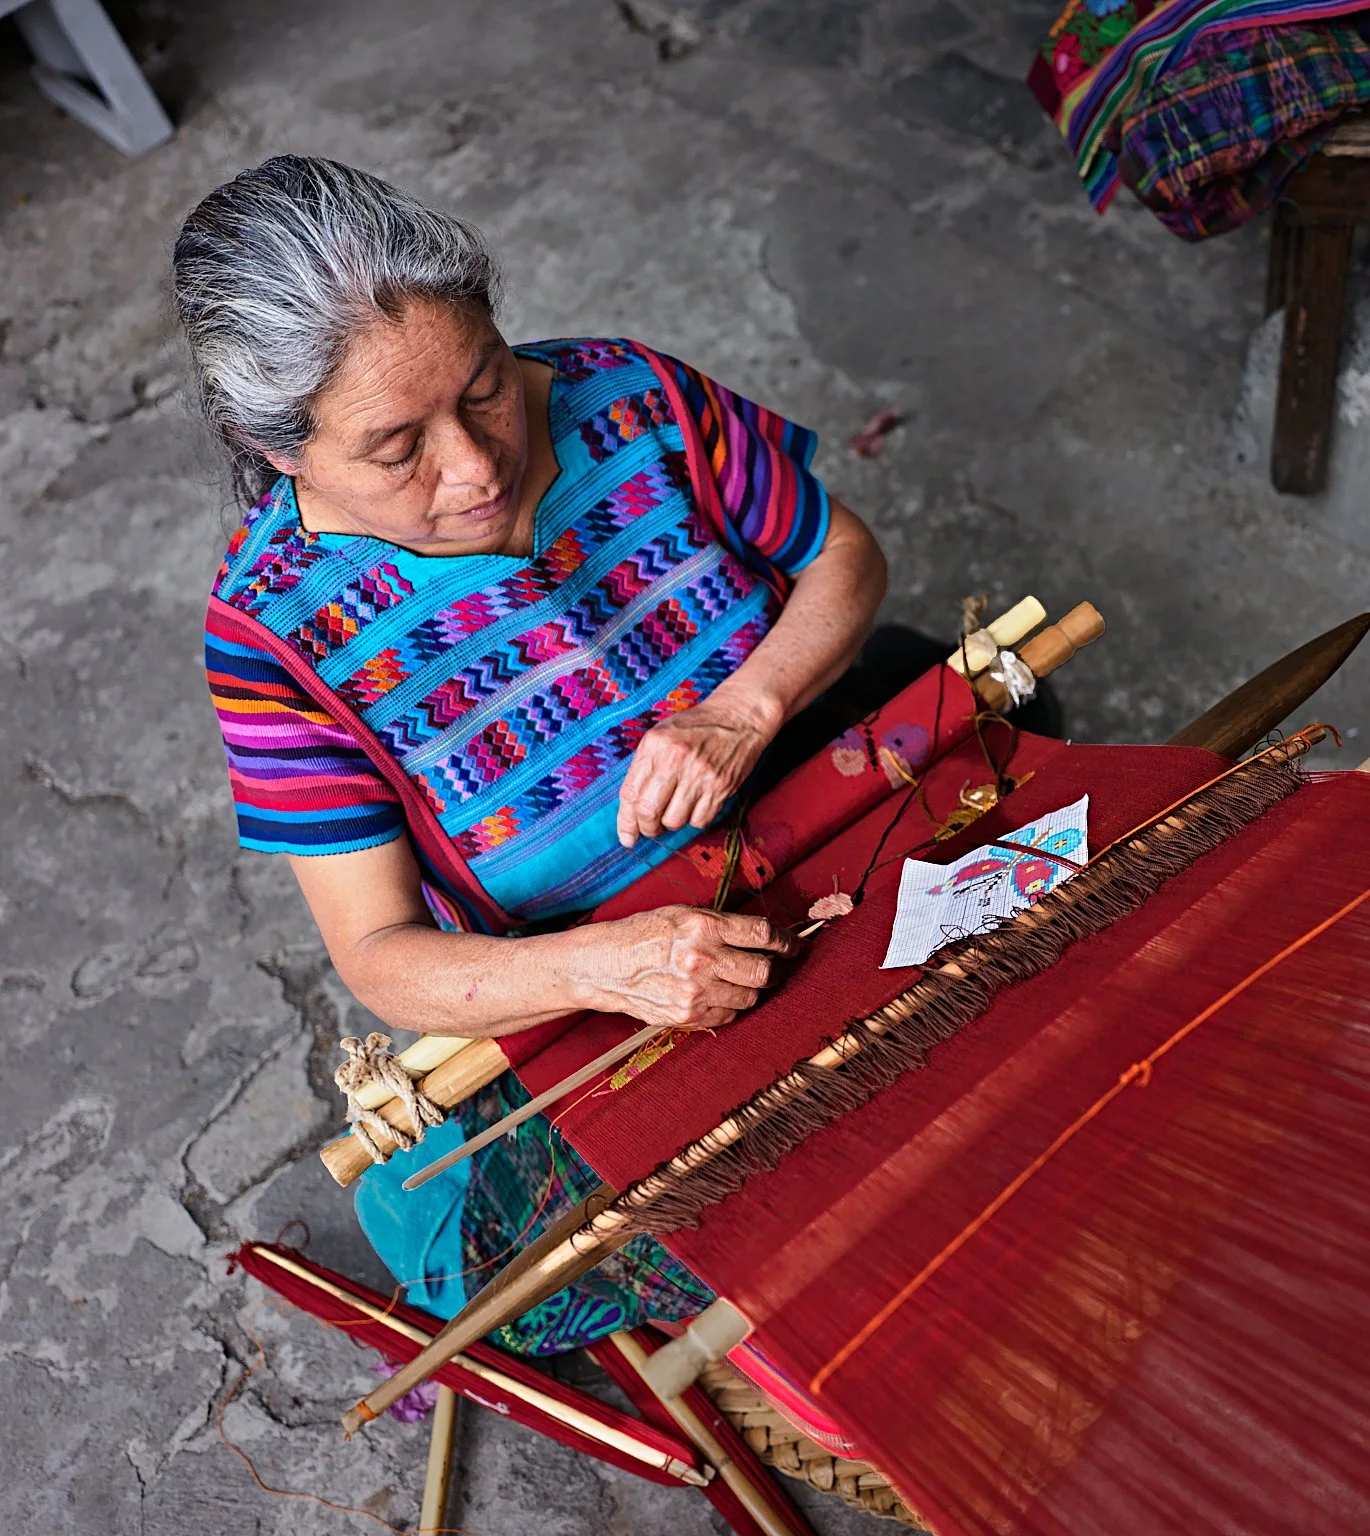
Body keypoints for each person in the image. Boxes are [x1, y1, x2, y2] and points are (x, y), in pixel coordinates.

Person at [179, 155, 888, 1349]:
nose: (477, 463)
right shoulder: (274, 638)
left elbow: (843, 558)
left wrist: (749, 705)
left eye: (485, 384)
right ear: (286, 452)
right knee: (550, 1255)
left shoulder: (629, 397)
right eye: (399, 446)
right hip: (612, 968)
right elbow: (383, 957)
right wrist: (609, 970)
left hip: (815, 808)